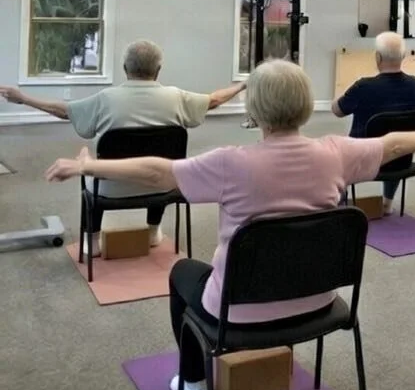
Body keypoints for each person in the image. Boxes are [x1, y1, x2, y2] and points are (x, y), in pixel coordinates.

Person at [44, 59, 415, 390]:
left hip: (236, 312)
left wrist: (87, 166)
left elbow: (158, 171)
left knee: (181, 274)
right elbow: (390, 145)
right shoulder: (337, 153)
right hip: (321, 300)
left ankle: (192, 383)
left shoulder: (229, 163)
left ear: (254, 111)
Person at [0, 39, 244, 255]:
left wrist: (22, 98)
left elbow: (64, 111)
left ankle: (92, 242)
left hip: (111, 188)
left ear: (125, 69)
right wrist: (243, 85)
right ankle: (152, 232)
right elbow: (214, 100)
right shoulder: (176, 96)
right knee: (159, 166)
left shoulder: (106, 98)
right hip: (165, 186)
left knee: (88, 168)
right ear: (158, 70)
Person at [332, 31, 415, 207]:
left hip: (361, 159)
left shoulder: (363, 86)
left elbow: (337, 110)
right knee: (394, 145)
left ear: (377, 57)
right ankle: (387, 203)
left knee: (333, 155)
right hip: (401, 159)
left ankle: (341, 205)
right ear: (403, 56)